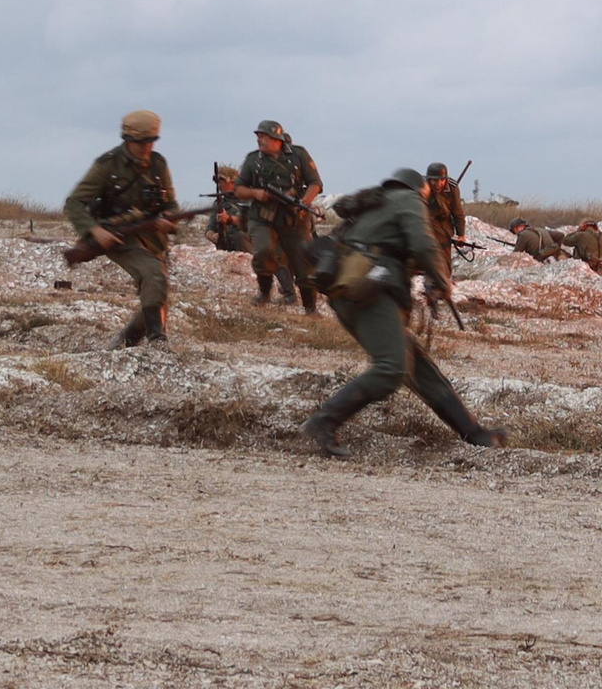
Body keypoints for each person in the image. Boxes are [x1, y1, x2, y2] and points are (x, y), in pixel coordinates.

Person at [300, 169, 505, 457]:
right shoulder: (408, 199)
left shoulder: (375, 205)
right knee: (392, 367)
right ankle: (324, 421)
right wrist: (442, 279)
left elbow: (396, 246)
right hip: (371, 290)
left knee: (419, 369)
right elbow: (422, 243)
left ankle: (474, 433)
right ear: (421, 190)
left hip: (351, 290)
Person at [66, 110, 181, 347]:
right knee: (153, 274)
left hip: (152, 237)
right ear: (127, 139)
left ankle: (125, 342)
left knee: (157, 293)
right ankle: (157, 340)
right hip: (119, 236)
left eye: (151, 141)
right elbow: (74, 203)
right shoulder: (108, 165)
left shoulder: (158, 165)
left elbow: (171, 205)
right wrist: (95, 231)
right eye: (141, 142)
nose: (146, 147)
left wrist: (169, 219)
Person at [237, 118, 323, 311]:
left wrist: (304, 202)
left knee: (303, 262)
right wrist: (256, 193)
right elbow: (239, 189)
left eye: (264, 136)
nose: (259, 140)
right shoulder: (253, 160)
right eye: (258, 136)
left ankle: (310, 308)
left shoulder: (298, 155)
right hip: (263, 217)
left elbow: (315, 183)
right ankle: (264, 292)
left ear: (277, 138)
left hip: (294, 218)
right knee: (262, 252)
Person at [421, 162, 465, 267]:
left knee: (444, 263)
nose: (439, 183)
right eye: (435, 180)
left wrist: (461, 235)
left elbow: (457, 212)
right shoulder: (421, 186)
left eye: (442, 180)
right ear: (429, 180)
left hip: (443, 226)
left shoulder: (452, 188)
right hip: (424, 224)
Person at [206, 164, 249, 252]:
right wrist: (212, 236)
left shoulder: (247, 200)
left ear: (232, 183)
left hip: (246, 245)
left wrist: (229, 219)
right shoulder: (219, 203)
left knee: (240, 236)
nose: (219, 186)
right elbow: (209, 229)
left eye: (221, 182)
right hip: (227, 247)